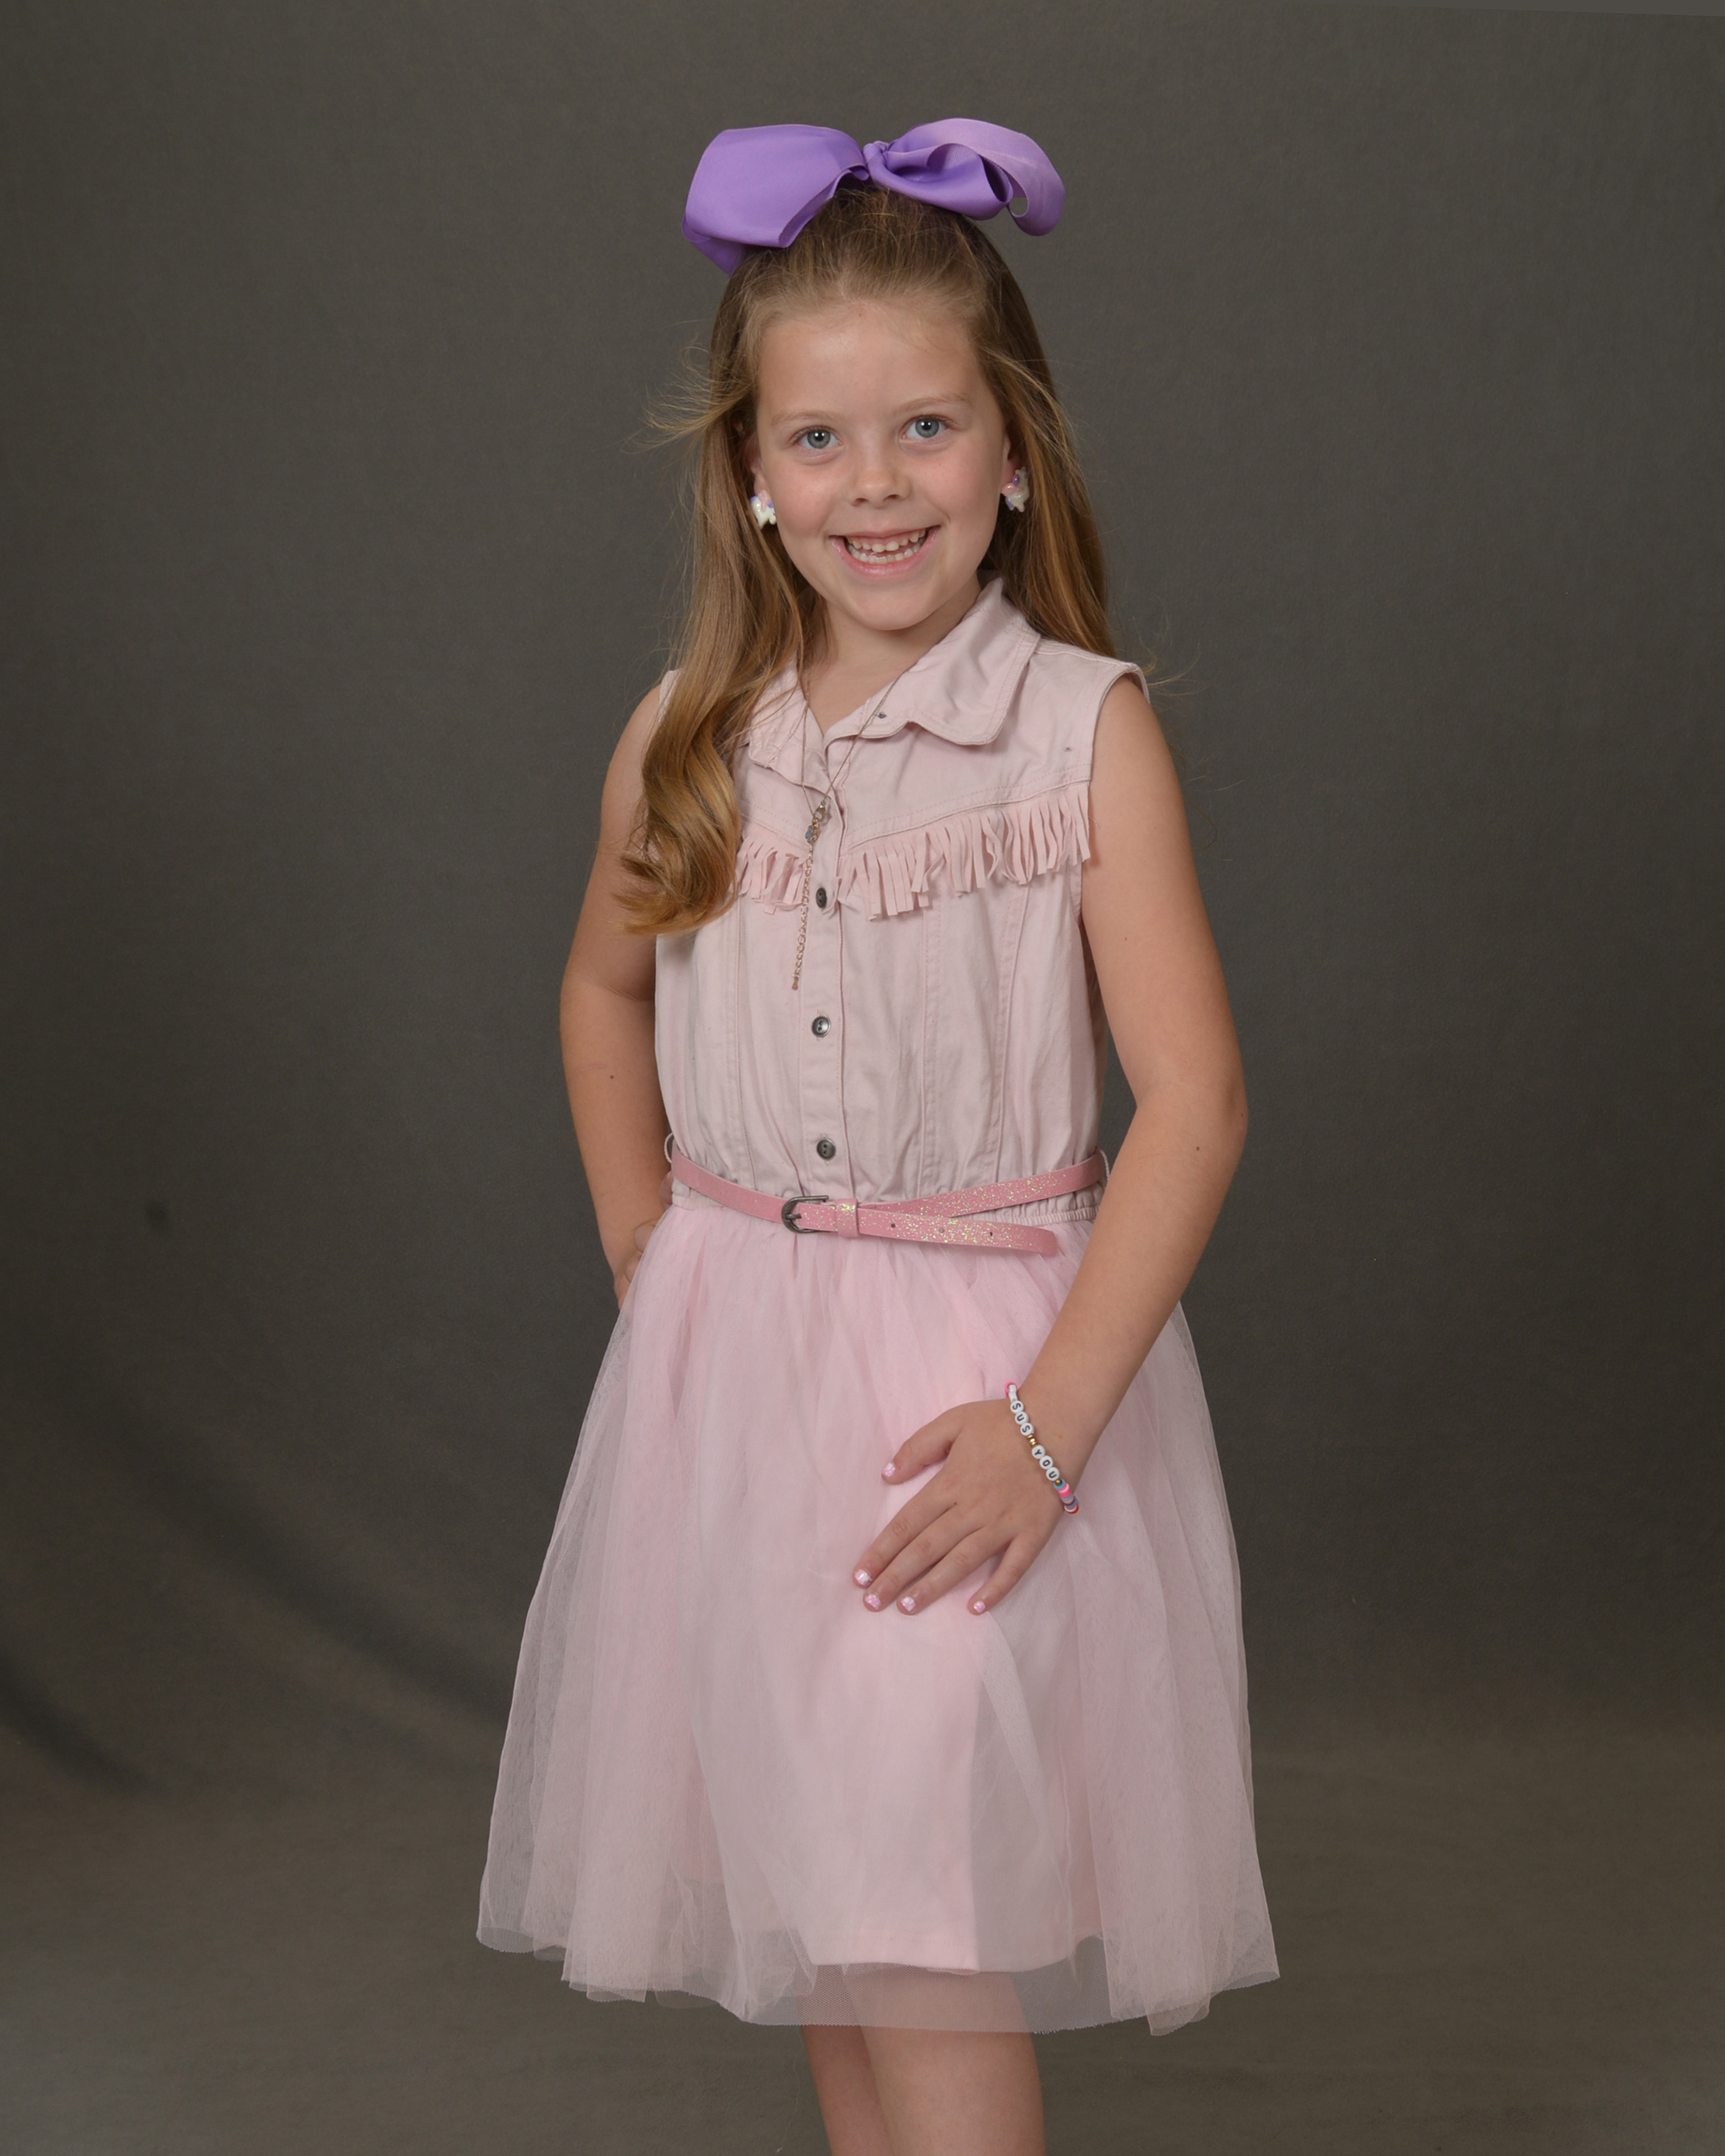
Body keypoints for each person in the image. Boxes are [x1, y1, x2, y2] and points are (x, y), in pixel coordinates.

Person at [478, 120, 1277, 2156]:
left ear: (1012, 451)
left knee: (921, 1919)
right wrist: (660, 1264)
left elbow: (1194, 1099)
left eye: (926, 428)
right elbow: (599, 993)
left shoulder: (1082, 732)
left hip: (984, 1395)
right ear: (751, 472)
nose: (876, 483)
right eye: (819, 441)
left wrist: (1047, 1430)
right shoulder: (691, 732)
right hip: (743, 1389)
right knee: (838, 1924)